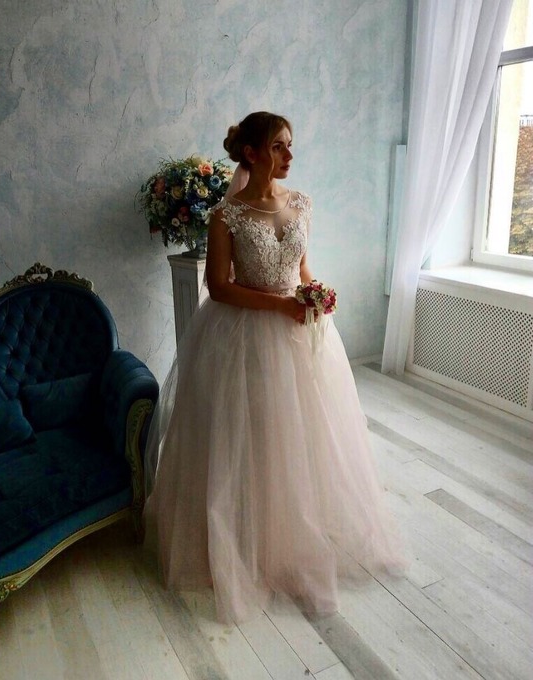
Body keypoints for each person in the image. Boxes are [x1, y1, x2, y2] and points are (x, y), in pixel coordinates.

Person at [143, 111, 405, 624]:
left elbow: (301, 266)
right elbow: (219, 287)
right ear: (252, 153)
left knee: (303, 432)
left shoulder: (301, 203)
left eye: (290, 144)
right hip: (244, 332)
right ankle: (249, 532)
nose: (290, 154)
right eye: (280, 146)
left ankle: (297, 525)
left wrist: (313, 294)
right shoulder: (227, 215)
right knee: (252, 430)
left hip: (298, 329)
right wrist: (281, 306)